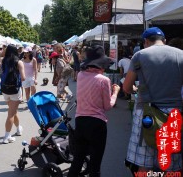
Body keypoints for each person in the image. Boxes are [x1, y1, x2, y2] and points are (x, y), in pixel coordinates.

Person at [123, 27, 183, 173]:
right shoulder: (181, 55)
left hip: (146, 112)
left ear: (146, 42)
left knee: (144, 161)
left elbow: (126, 87)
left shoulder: (140, 55)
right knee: (170, 161)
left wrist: (133, 90)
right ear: (164, 40)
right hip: (174, 112)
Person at [68, 45, 119, 177]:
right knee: (95, 164)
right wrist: (115, 93)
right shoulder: (104, 80)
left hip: (80, 121)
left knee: (77, 160)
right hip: (97, 123)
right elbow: (107, 106)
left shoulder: (80, 75)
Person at [1, 45, 26, 144]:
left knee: (13, 111)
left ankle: (18, 128)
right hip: (14, 90)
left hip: (4, 89)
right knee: (11, 113)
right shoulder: (19, 62)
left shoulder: (4, 61)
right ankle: (7, 136)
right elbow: (23, 78)